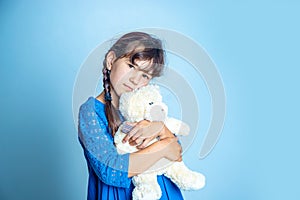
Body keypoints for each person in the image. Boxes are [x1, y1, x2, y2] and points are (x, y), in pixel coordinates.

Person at [78, 32, 184, 200]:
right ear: (111, 60)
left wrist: (160, 128)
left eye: (145, 75)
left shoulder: (145, 106)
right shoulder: (90, 111)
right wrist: (162, 147)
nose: (135, 80)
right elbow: (111, 171)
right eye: (131, 66)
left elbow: (176, 153)